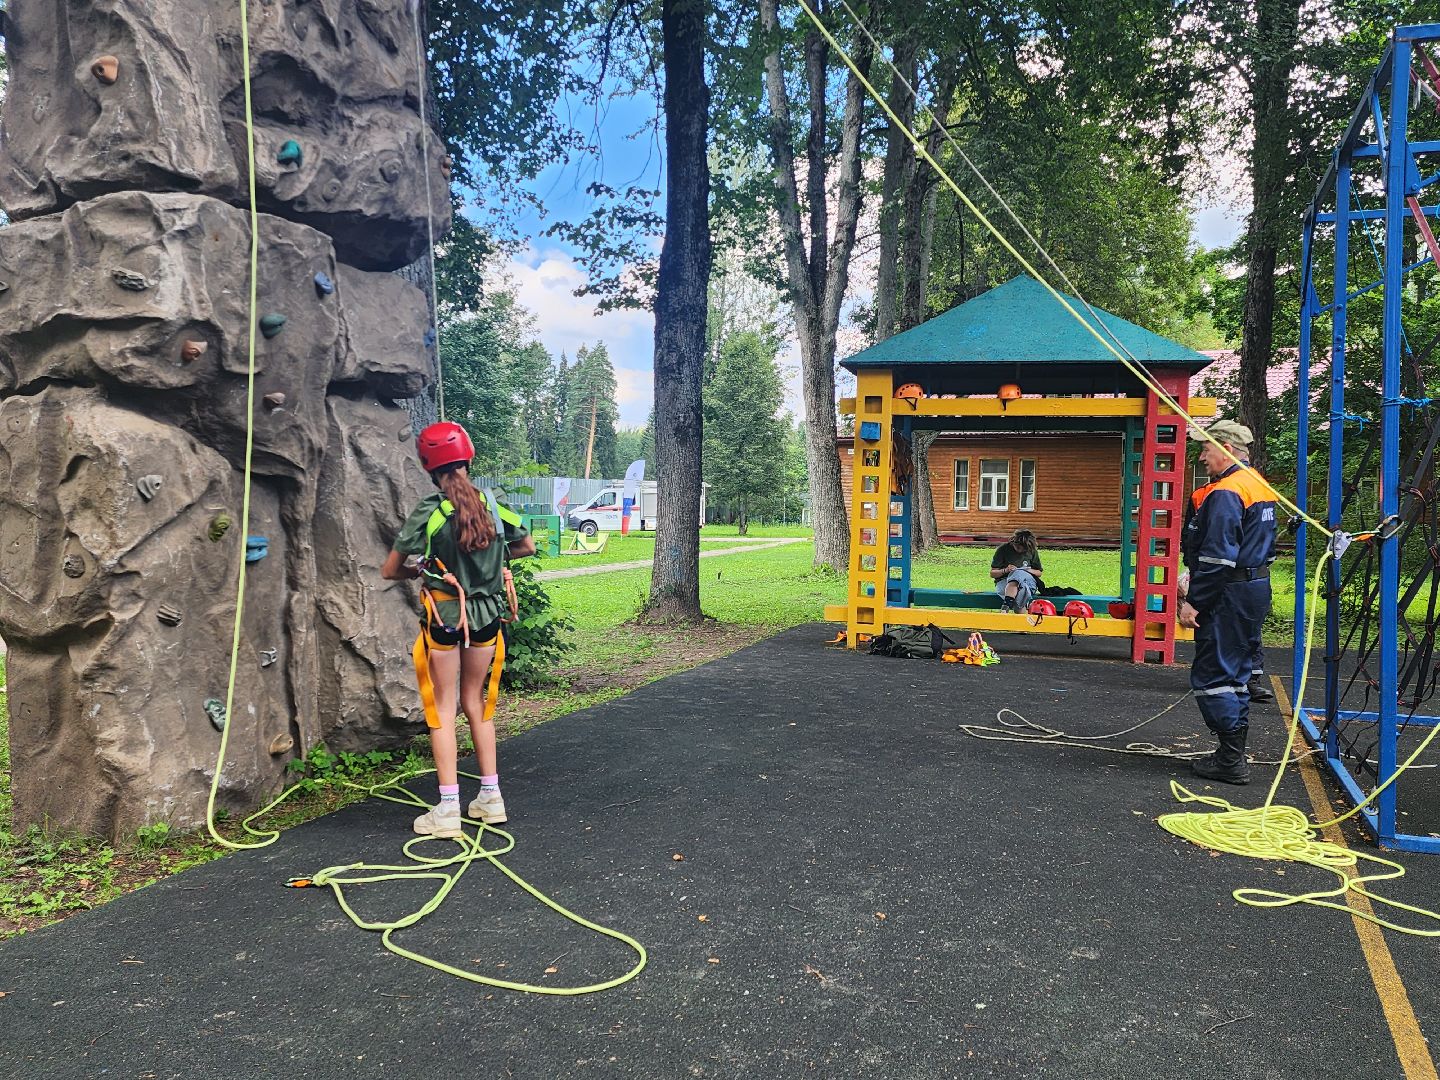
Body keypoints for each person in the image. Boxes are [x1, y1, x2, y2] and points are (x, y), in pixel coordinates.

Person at [381, 421, 536, 837]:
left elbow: (390, 569)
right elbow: (526, 545)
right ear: (467, 458)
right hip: (486, 618)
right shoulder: (491, 505)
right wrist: (494, 567)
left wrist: (421, 568)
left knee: (444, 708)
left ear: (429, 466)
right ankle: (491, 798)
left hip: (445, 619)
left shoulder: (430, 511)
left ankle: (448, 807)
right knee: (477, 703)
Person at [1177, 419, 1277, 785]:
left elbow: (1218, 557)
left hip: (1228, 593)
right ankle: (1230, 753)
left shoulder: (1226, 492)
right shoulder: (1259, 486)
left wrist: (1194, 603)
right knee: (1235, 673)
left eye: (1206, 449)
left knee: (1214, 674)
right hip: (1253, 588)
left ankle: (1231, 760)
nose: (1201, 457)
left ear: (1227, 450)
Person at [991, 529, 1044, 613]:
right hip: (1005, 582)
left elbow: (1039, 572)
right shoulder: (1003, 549)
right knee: (1021, 591)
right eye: (1018, 547)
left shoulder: (1032, 551)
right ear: (1013, 542)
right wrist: (1006, 570)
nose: (1021, 551)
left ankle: (1007, 604)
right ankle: (1023, 623)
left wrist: (1027, 570)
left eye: (1024, 549)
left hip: (1027, 582)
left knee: (1018, 573)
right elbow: (993, 574)